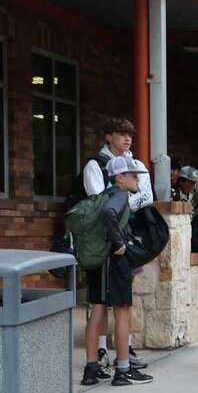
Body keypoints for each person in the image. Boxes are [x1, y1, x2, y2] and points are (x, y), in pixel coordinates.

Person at [82, 117, 151, 374]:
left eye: (129, 134)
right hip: (108, 249)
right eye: (121, 133)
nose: (128, 138)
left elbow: (147, 196)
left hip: (109, 246)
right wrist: (120, 242)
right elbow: (104, 208)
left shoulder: (125, 170)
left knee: (101, 306)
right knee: (120, 308)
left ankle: (94, 366)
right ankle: (120, 365)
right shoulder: (97, 167)